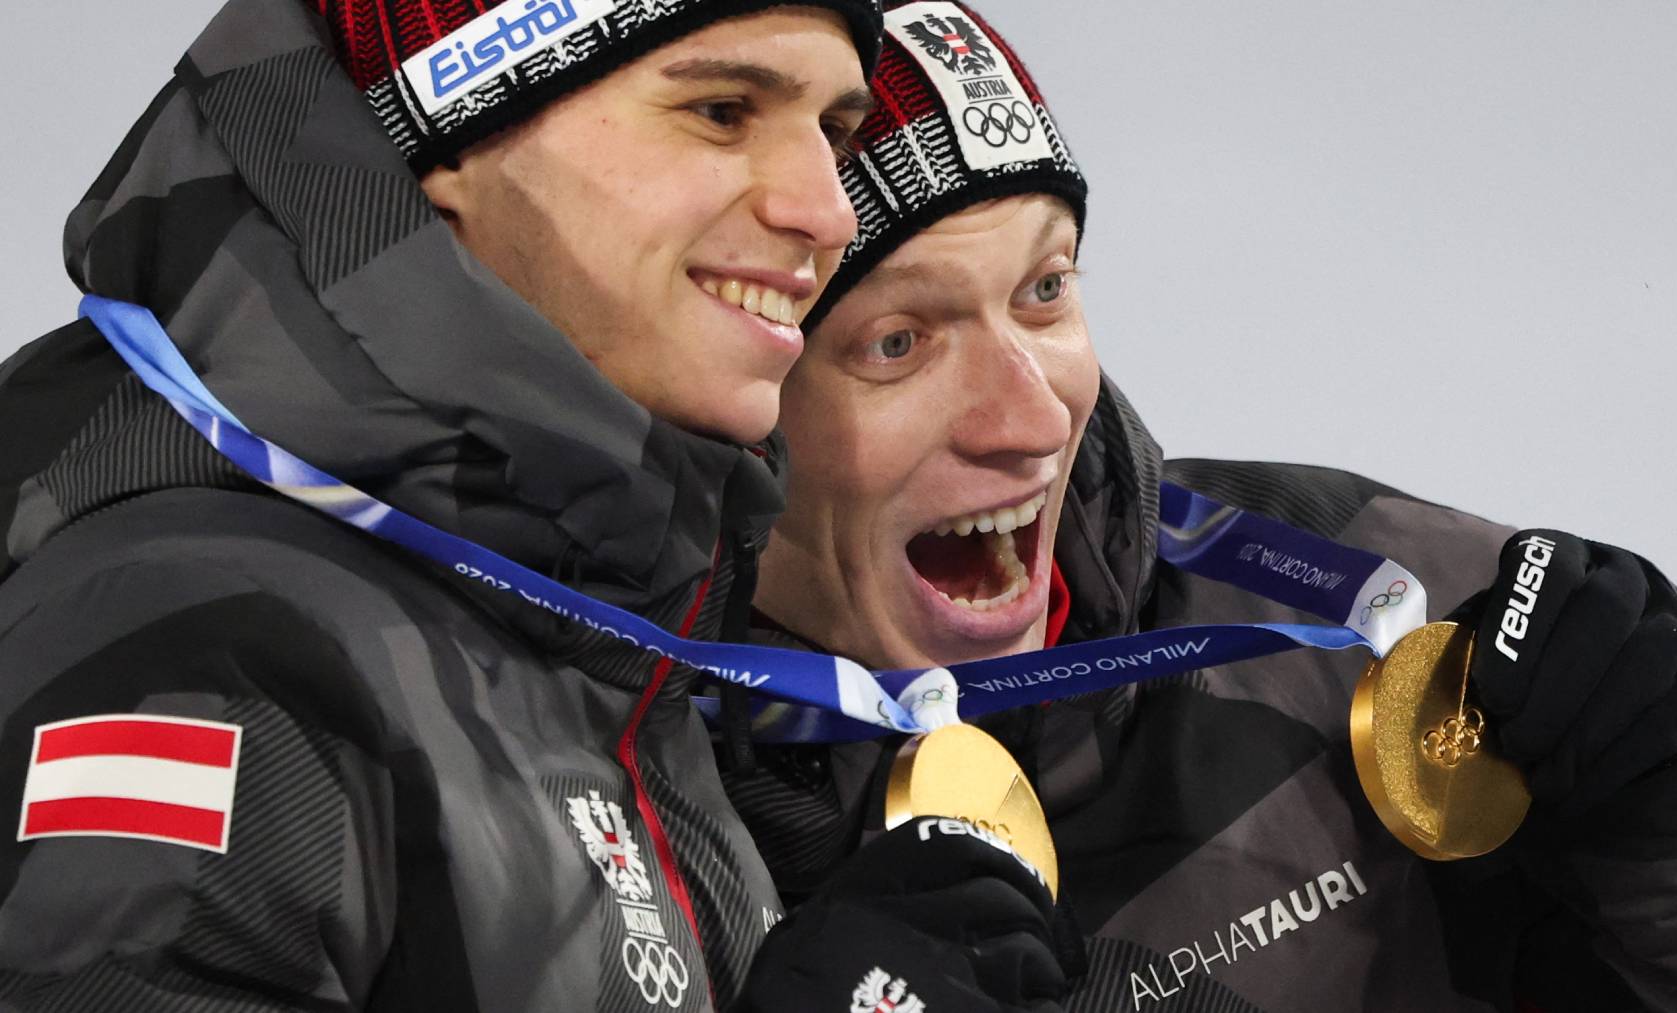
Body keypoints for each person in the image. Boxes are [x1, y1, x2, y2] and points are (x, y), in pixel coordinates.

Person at [725, 2, 1677, 1010]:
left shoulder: (1353, 583)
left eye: (1044, 291)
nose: (1031, 418)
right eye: (899, 343)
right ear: (744, 395)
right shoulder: (625, 786)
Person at [0, 1, 1073, 1009]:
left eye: (831, 128)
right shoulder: (206, 646)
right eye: (721, 111)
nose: (826, 211)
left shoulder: (598, 630)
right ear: (451, 135)